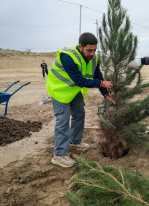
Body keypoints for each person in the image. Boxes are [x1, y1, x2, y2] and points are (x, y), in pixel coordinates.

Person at [46, 32, 115, 168]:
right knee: (63, 120)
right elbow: (78, 79)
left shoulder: (94, 58)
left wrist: (106, 94)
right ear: (80, 46)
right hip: (58, 90)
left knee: (79, 114)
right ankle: (59, 155)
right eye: (89, 50)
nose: (92, 53)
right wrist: (102, 84)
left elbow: (97, 75)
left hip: (73, 90)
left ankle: (74, 142)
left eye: (94, 50)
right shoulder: (68, 57)